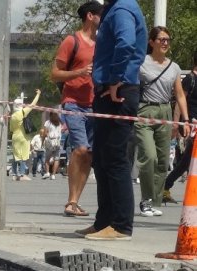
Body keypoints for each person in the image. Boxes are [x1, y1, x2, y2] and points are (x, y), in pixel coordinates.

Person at [81, 0, 146, 241]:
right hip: (109, 89)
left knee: (116, 159)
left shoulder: (122, 9)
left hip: (118, 90)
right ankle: (104, 222)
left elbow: (127, 43)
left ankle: (120, 226)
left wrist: (116, 79)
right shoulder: (113, 9)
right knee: (102, 159)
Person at [52, 1, 103, 216]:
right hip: (72, 102)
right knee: (81, 149)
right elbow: (54, 74)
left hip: (95, 104)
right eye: (102, 14)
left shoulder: (101, 43)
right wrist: (79, 72)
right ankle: (70, 201)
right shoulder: (71, 41)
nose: (105, 18)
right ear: (90, 16)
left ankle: (75, 202)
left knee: (89, 154)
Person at [135, 27, 190, 217]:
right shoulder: (141, 63)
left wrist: (185, 119)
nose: (165, 43)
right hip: (145, 110)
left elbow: (180, 94)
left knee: (162, 160)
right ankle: (146, 200)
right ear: (151, 42)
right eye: (161, 39)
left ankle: (154, 201)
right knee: (149, 156)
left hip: (165, 111)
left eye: (168, 39)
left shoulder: (173, 67)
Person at [164, 50, 197, 203]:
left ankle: (166, 185)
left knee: (186, 162)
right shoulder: (190, 79)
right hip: (191, 124)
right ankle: (165, 186)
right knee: (186, 161)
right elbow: (179, 102)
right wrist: (177, 124)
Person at [9, 89, 41, 181]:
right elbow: (33, 104)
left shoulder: (12, 116)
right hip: (23, 137)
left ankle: (14, 174)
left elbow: (11, 129)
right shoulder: (22, 112)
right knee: (23, 156)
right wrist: (38, 94)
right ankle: (22, 175)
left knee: (16, 156)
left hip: (15, 136)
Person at [43, 113, 63, 181]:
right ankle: (53, 175)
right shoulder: (59, 123)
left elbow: (45, 133)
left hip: (50, 142)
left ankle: (47, 172)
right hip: (57, 142)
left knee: (47, 158)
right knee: (56, 159)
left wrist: (43, 141)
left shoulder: (48, 122)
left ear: (50, 116)